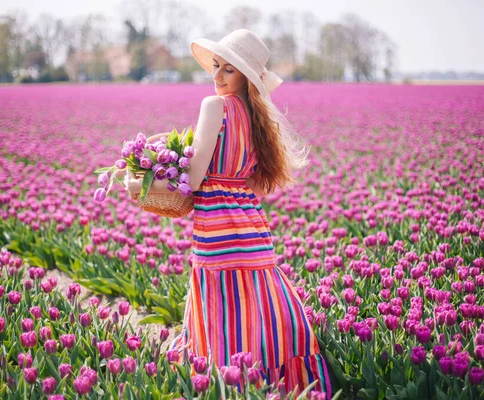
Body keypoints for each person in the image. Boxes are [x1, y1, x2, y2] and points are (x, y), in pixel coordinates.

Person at [125, 29, 331, 398]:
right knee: (254, 305)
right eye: (216, 67)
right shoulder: (258, 117)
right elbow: (256, 183)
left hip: (216, 227)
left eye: (228, 70)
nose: (217, 76)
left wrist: (143, 179)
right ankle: (270, 383)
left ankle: (223, 381)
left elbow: (195, 176)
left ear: (246, 77)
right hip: (251, 226)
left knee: (219, 308)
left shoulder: (214, 106)